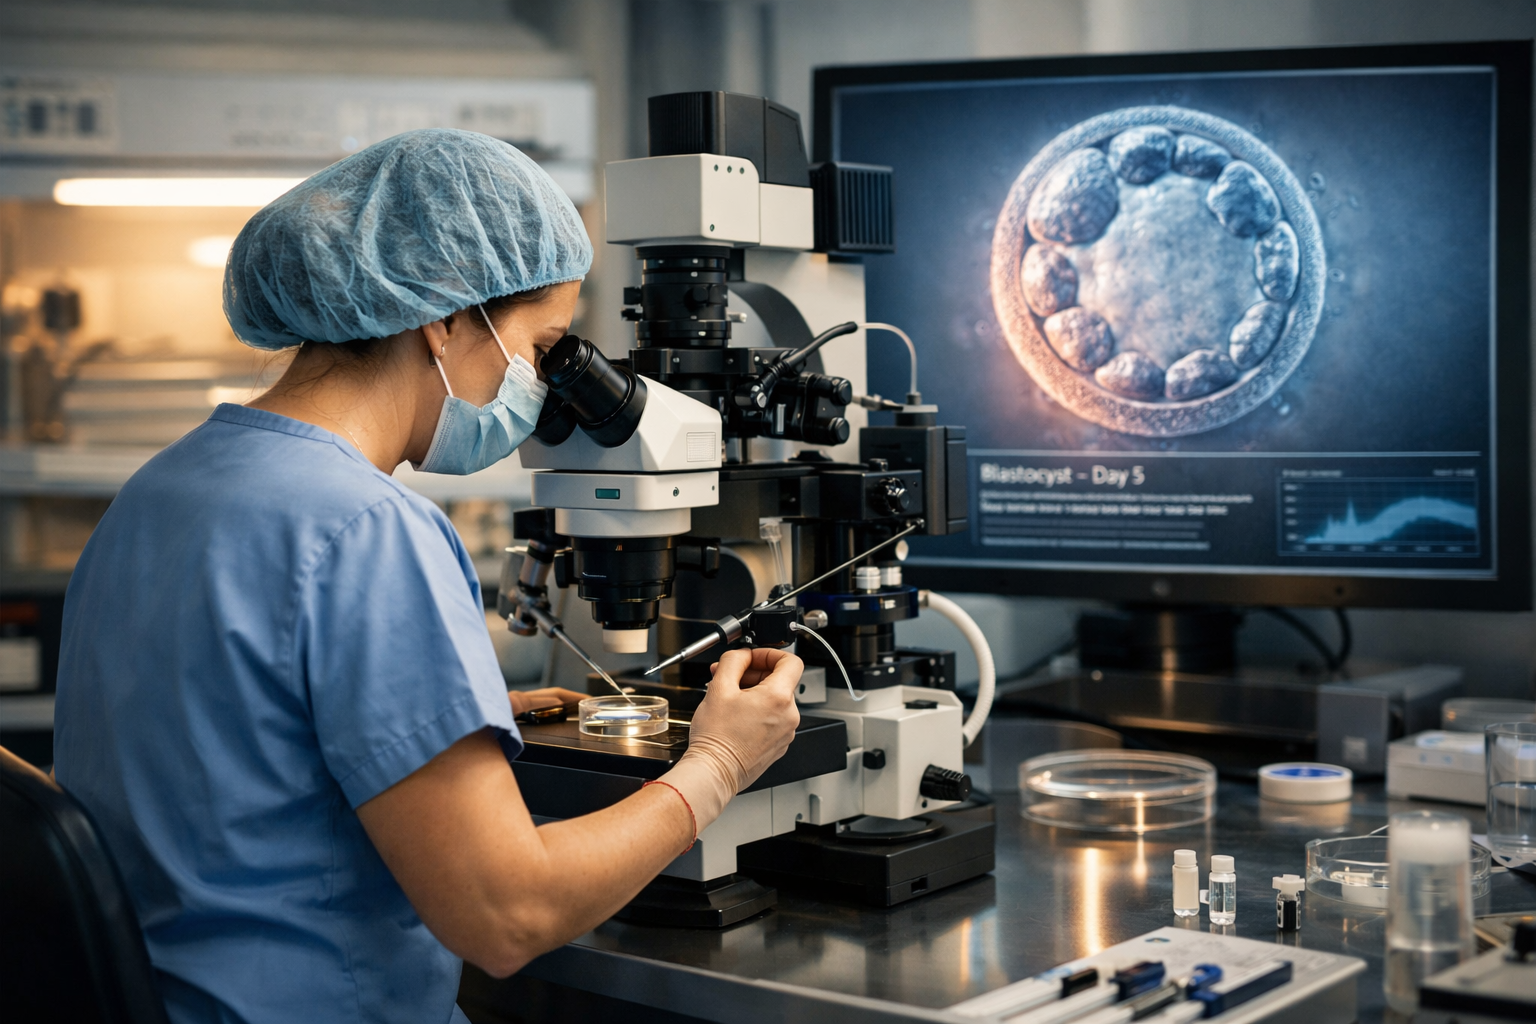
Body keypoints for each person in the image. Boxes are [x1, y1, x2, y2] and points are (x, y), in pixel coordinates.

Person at [52, 129, 802, 1024]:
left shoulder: (162, 489)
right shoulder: (369, 529)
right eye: (545, 344)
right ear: (445, 319)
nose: (541, 381)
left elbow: (228, 742)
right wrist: (722, 762)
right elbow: (507, 915)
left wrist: (444, 719)